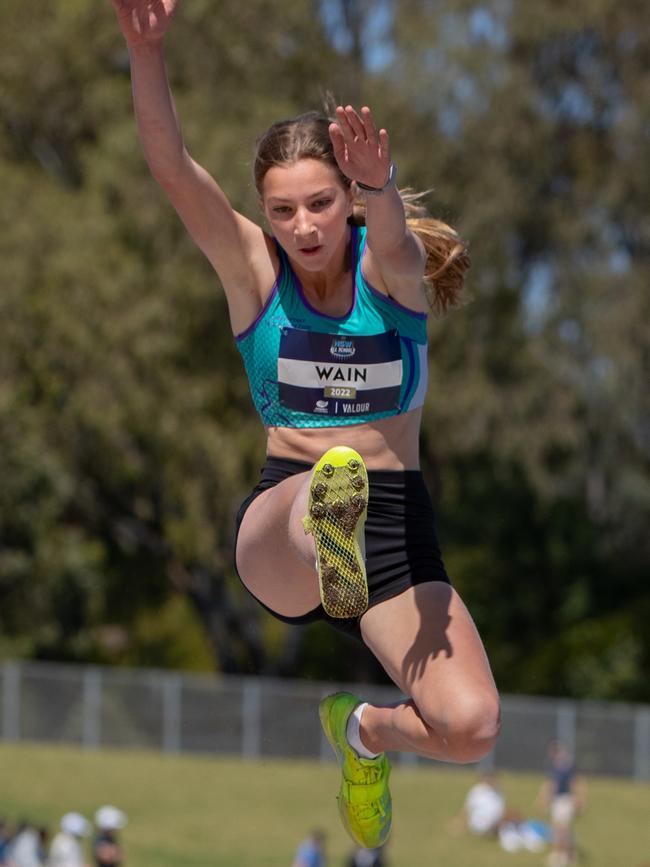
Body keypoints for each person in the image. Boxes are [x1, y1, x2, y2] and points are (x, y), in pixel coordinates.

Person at [108, 0, 501, 850]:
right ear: (264, 211)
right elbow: (173, 168)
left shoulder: (389, 273)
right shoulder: (254, 271)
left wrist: (383, 188)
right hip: (283, 518)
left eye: (321, 203)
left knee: (471, 727)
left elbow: (395, 241)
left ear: (349, 197)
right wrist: (147, 51)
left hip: (393, 530)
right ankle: (329, 511)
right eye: (282, 210)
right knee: (322, 488)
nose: (303, 227)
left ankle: (361, 731)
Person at [538, 741, 586, 867]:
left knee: (563, 829)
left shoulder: (568, 767)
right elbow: (550, 784)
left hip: (565, 799)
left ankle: (566, 854)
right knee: (556, 829)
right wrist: (545, 799)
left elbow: (575, 782)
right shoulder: (553, 768)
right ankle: (558, 853)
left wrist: (579, 798)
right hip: (556, 800)